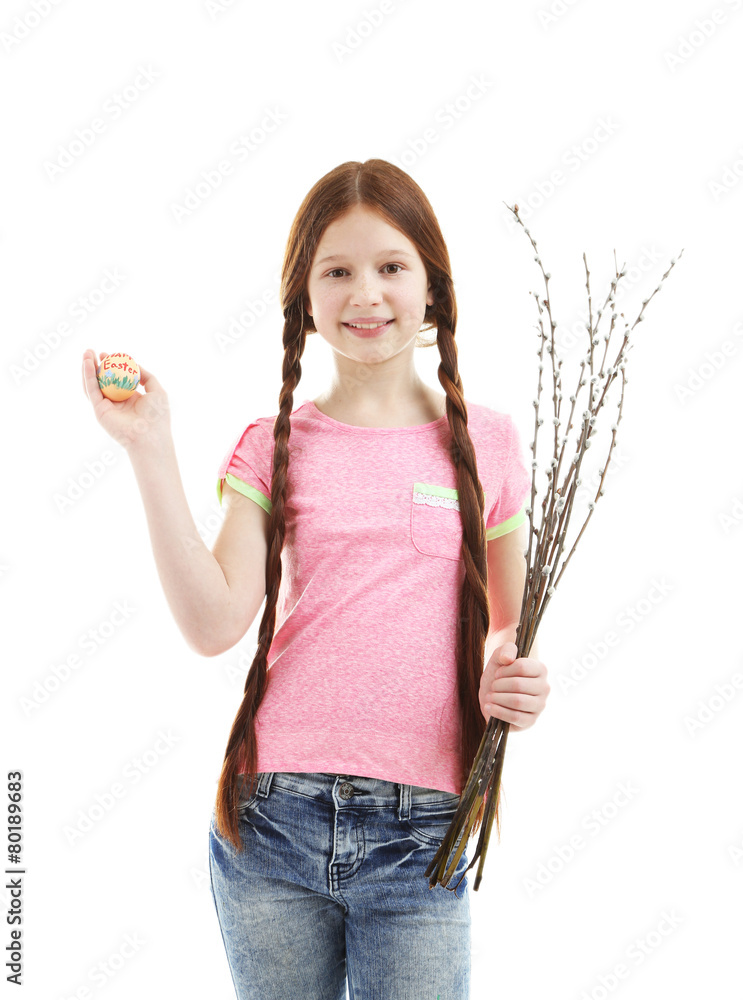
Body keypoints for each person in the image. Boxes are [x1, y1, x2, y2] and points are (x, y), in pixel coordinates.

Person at [81, 158, 551, 1000]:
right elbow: (214, 621)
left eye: (390, 267)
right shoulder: (271, 444)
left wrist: (510, 678)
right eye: (336, 271)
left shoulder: (489, 442)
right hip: (273, 824)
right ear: (303, 299)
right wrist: (150, 446)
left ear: (433, 291)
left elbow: (507, 632)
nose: (364, 293)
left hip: (423, 840)